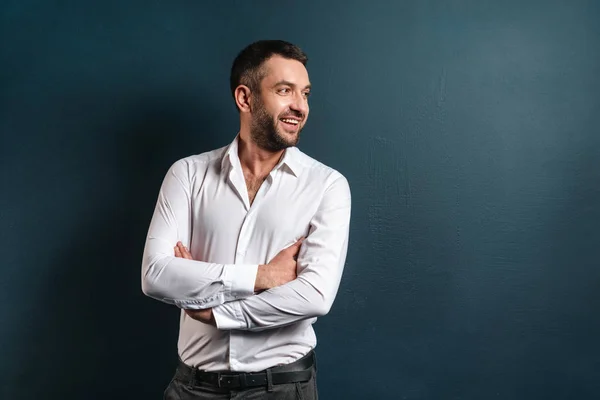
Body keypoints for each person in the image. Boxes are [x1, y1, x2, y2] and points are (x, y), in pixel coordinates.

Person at [141, 39, 352, 399]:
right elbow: (156, 275)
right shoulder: (187, 175)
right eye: (284, 91)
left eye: (305, 93)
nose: (300, 106)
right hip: (192, 388)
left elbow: (314, 295)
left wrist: (215, 313)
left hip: (281, 388)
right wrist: (262, 277)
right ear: (245, 98)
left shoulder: (327, 185)